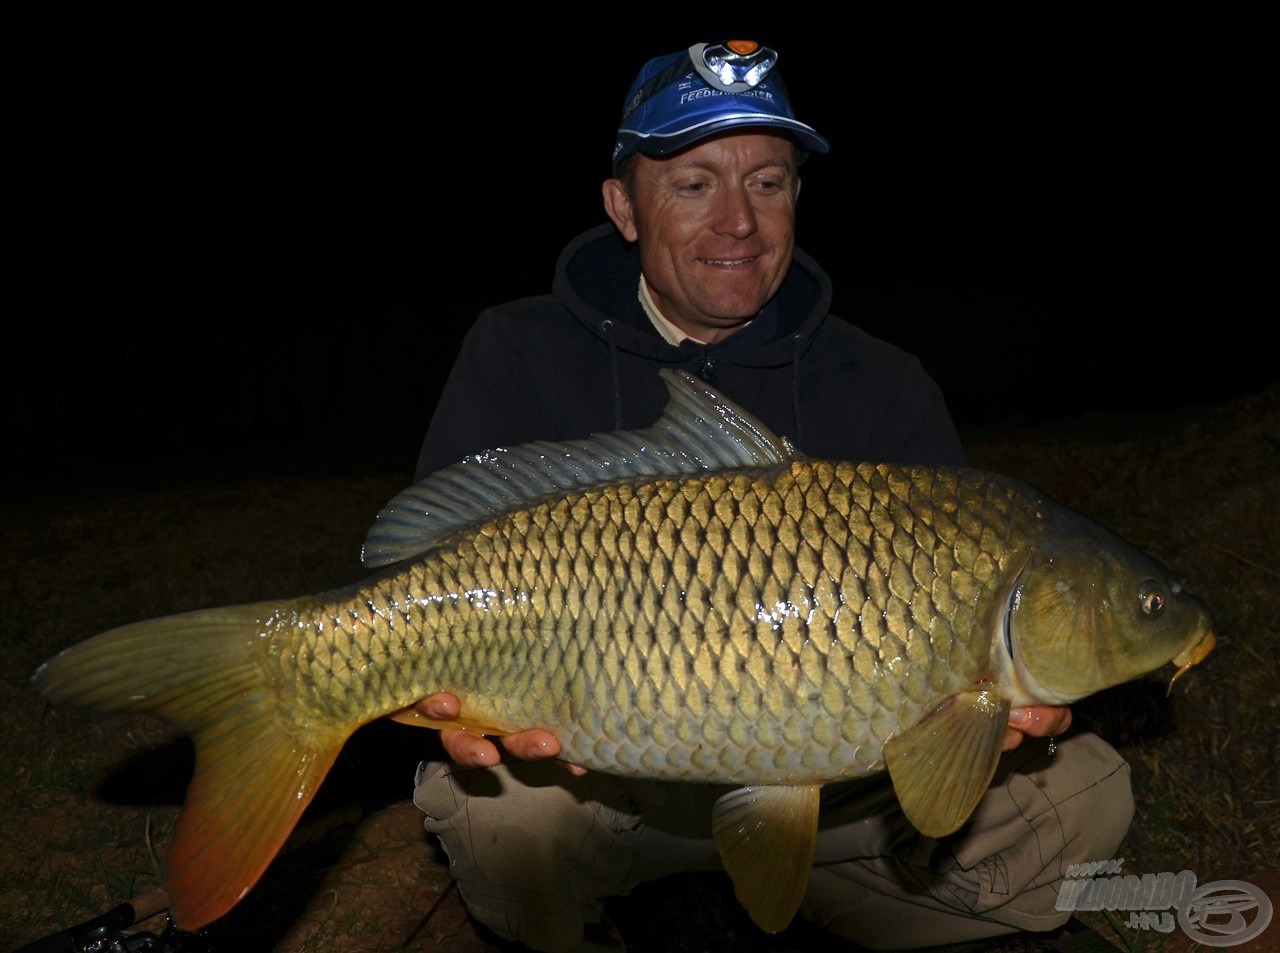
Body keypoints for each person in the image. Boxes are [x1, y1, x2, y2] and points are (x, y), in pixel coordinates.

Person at [405, 39, 1132, 953]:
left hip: (840, 792)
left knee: (1085, 796)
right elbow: (418, 567)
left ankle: (819, 910)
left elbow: (966, 698)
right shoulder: (519, 353)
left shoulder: (882, 385)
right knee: (499, 819)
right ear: (623, 206)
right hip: (596, 778)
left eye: (769, 183)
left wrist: (994, 719)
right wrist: (455, 705)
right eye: (694, 182)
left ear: (798, 199)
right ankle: (632, 907)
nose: (739, 222)